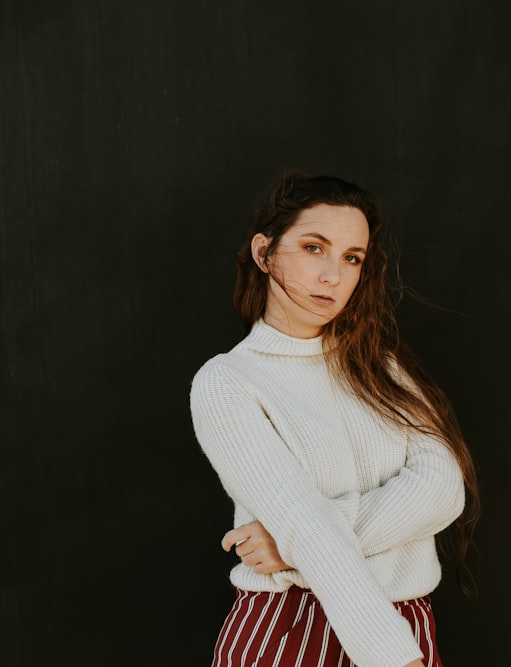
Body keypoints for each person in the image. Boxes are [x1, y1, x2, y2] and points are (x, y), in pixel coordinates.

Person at [189, 170, 480, 667]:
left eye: (352, 259)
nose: (333, 276)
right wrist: (396, 660)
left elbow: (444, 488)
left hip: (405, 621)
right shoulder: (228, 381)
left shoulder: (385, 368)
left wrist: (291, 545)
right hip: (290, 631)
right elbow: (306, 522)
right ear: (264, 253)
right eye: (313, 248)